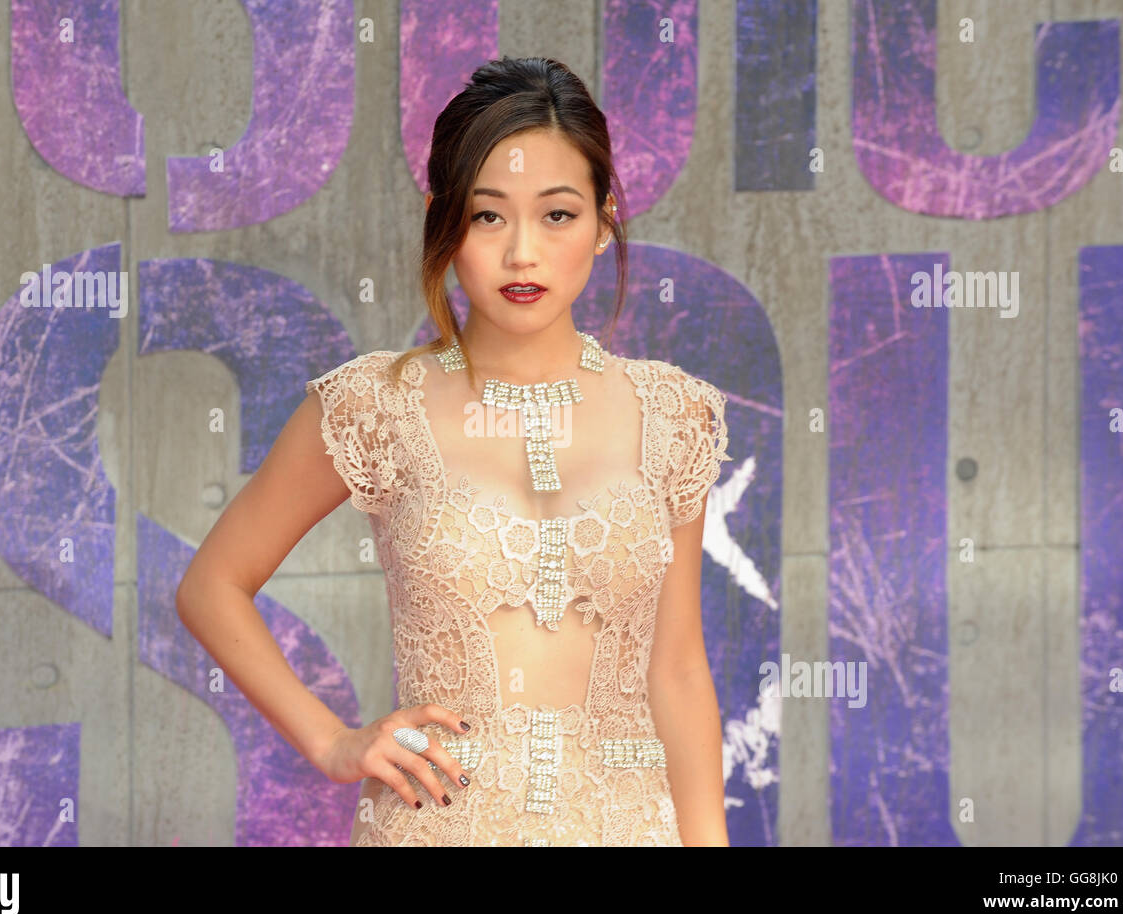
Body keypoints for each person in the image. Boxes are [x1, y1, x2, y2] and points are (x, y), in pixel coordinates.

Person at [177, 56, 732, 846]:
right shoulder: (377, 405)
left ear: (606, 219)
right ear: (444, 220)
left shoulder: (672, 413)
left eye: (558, 215)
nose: (522, 255)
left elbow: (677, 671)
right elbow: (211, 585)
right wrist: (333, 742)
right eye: (487, 216)